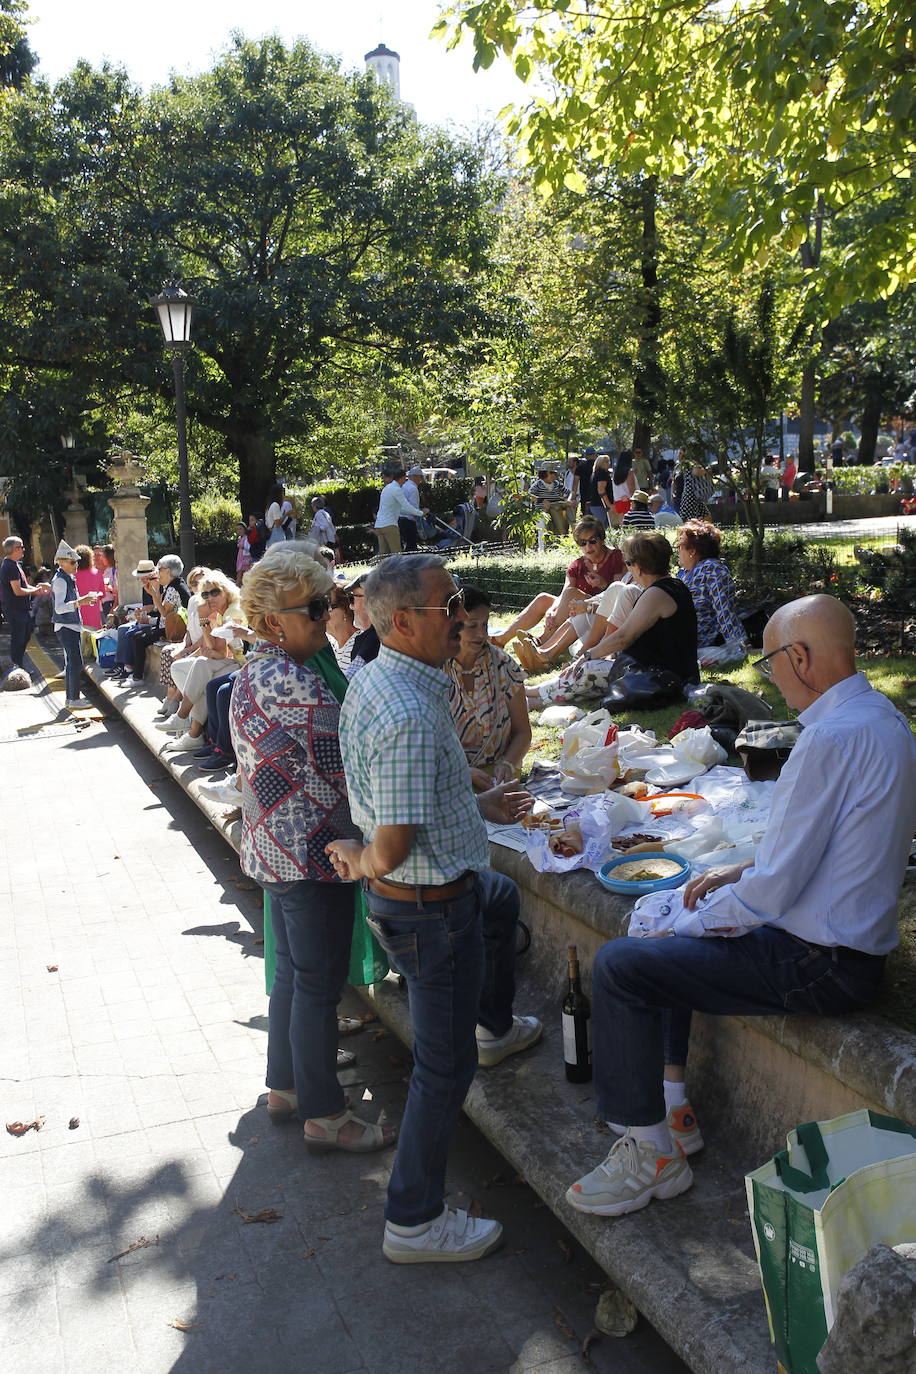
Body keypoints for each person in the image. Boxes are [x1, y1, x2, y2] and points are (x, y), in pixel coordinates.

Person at [566, 595, 916, 1218]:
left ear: (800, 658)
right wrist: (742, 868)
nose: (771, 679)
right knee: (673, 941)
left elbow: (773, 893)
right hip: (842, 949)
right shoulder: (881, 719)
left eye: (770, 663)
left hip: (821, 961)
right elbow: (836, 844)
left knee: (626, 965)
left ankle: (651, 1155)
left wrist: (695, 915)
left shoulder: (829, 738)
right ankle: (674, 1109)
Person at [327, 554, 541, 1264]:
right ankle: (413, 1221)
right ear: (405, 620)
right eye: (448, 605)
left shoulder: (391, 678)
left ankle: (495, 1024)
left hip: (442, 892)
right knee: (444, 1071)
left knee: (502, 896)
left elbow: (413, 797)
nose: (461, 616)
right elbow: (389, 843)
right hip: (426, 909)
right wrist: (361, 860)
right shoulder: (411, 710)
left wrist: (474, 804)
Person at [229, 543, 396, 1154]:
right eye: (316, 607)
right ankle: (326, 1115)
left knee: (296, 980)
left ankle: (287, 1088)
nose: (329, 616)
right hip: (313, 853)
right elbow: (352, 764)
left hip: (276, 850)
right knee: (318, 985)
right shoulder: (295, 683)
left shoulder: (253, 672)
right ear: (274, 620)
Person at [492, 517, 624, 662]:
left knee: (572, 593)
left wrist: (603, 584)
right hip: (574, 608)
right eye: (582, 542)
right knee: (544, 599)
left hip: (599, 609)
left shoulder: (615, 557)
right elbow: (565, 592)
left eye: (592, 540)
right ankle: (500, 640)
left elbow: (618, 591)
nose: (588, 546)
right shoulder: (577, 565)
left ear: (602, 539)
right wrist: (551, 611)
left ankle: (541, 643)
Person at [155, 570, 253, 749]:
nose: (210, 598)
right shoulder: (216, 612)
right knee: (179, 668)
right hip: (228, 661)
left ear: (226, 591)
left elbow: (220, 651)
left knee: (203, 673)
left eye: (215, 592)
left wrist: (210, 650)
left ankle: (186, 721)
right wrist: (203, 619)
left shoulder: (233, 610)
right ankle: (191, 727)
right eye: (205, 594)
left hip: (242, 663)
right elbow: (212, 647)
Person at [445, 587, 531, 791]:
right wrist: (462, 772)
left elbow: (523, 733)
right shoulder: (434, 670)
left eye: (485, 625)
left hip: (499, 779)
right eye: (472, 625)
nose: (481, 634)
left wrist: (508, 763)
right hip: (450, 780)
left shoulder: (504, 665)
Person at [675, 520, 747, 650]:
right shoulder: (685, 573)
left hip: (705, 641)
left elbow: (724, 610)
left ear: (692, 551)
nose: (677, 551)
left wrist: (738, 645)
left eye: (679, 546)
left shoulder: (711, 569)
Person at [51, 540, 101, 709]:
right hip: (66, 627)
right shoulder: (61, 580)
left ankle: (72, 698)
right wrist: (80, 602)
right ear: (62, 562)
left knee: (74, 663)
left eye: (77, 562)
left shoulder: (66, 578)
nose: (76, 565)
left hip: (70, 626)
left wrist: (83, 601)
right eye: (72, 562)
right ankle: (73, 699)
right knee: (75, 664)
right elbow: (59, 608)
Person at [155, 566, 209, 719]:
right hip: (192, 642)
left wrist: (187, 650)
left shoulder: (209, 603)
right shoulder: (192, 601)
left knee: (183, 659)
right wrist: (183, 645)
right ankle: (170, 697)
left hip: (203, 646)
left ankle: (176, 701)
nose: (197, 586)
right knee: (168, 651)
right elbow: (190, 630)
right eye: (193, 583)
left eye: (201, 582)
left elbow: (206, 636)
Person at [1, 535, 49, 673]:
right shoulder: (10, 566)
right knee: (18, 639)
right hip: (15, 609)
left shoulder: (15, 564)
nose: (24, 549)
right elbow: (17, 590)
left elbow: (24, 585)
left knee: (25, 635)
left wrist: (36, 589)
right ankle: (16, 668)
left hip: (20, 609)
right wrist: (35, 592)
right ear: (13, 549)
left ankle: (18, 665)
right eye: (21, 547)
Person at [373, 468, 427, 558]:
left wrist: (418, 512)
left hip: (379, 525)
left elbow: (400, 509)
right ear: (402, 478)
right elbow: (406, 506)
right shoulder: (397, 489)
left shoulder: (386, 488)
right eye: (405, 478)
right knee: (397, 554)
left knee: (383, 554)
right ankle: (399, 572)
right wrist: (421, 513)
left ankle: (373, 568)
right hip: (390, 525)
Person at [526, 464, 569, 538]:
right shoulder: (538, 484)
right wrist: (541, 500)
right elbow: (528, 496)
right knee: (542, 528)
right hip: (542, 511)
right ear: (545, 474)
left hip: (557, 509)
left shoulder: (556, 484)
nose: (554, 476)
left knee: (562, 525)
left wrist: (570, 500)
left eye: (555, 473)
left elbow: (568, 492)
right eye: (552, 473)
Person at [327, 579, 358, 674]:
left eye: (328, 607)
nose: (322, 614)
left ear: (344, 610)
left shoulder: (359, 645)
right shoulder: (332, 643)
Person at [74, 546, 107, 630]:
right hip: (94, 618)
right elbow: (102, 594)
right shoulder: (97, 573)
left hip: (77, 618)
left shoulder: (72, 575)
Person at [399, 466, 424, 553]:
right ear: (415, 477)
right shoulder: (413, 489)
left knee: (407, 546)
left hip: (400, 520)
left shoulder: (404, 486)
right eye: (420, 477)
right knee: (411, 547)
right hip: (408, 522)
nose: (421, 480)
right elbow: (413, 510)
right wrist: (423, 512)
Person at [609, 451, 637, 525]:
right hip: (628, 500)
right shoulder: (629, 472)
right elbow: (632, 488)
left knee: (622, 523)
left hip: (618, 501)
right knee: (630, 524)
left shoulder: (615, 473)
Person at [586, 453, 612, 526]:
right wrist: (609, 505)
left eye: (609, 461)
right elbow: (601, 490)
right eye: (606, 461)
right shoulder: (602, 473)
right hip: (600, 506)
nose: (608, 463)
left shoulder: (596, 473)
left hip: (595, 505)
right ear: (601, 463)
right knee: (602, 528)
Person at [265, 483, 288, 547]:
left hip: (271, 534)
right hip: (276, 534)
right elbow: (277, 523)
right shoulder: (275, 505)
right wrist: (286, 514)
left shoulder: (270, 505)